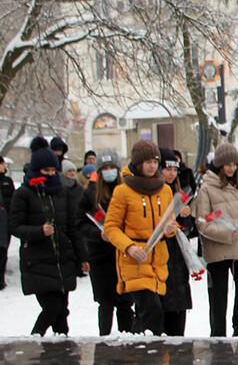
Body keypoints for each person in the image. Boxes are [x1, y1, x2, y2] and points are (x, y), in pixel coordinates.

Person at [9, 137, 89, 335]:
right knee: (52, 308)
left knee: (62, 312)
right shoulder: (24, 194)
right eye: (46, 172)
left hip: (63, 260)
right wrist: (38, 231)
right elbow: (15, 226)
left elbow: (72, 227)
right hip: (38, 261)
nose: (51, 175)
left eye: (54, 171)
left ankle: (63, 354)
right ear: (37, 171)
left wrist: (82, 257)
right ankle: (34, 341)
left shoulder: (62, 192)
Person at [104, 140, 176, 335]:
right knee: (152, 311)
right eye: (147, 162)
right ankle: (149, 355)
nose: (152, 166)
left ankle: (137, 353)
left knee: (147, 315)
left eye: (155, 162)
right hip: (134, 261)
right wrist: (129, 247)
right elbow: (111, 227)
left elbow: (171, 222)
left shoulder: (166, 190)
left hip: (158, 261)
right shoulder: (123, 191)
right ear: (138, 163)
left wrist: (171, 229)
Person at [194, 143, 238, 337]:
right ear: (219, 165)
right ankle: (218, 340)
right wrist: (229, 234)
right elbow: (203, 222)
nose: (231, 168)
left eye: (234, 164)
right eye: (227, 164)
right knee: (218, 300)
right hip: (218, 252)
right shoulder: (207, 188)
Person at [76, 148, 134, 335]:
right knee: (106, 302)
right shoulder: (89, 194)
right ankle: (104, 343)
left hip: (124, 254)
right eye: (105, 167)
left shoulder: (127, 191)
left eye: (112, 167)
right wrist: (97, 234)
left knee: (126, 303)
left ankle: (128, 342)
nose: (109, 171)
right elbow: (80, 222)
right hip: (101, 256)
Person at [158, 147, 195, 336]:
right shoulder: (152, 194)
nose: (172, 174)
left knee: (178, 322)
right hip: (160, 260)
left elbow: (189, 230)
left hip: (178, 260)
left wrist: (184, 218)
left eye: (175, 170)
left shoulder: (180, 193)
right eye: (167, 169)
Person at [0, 156, 15, 290]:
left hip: (6, 220)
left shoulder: (7, 181)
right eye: (2, 164)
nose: (4, 166)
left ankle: (1, 278)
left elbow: (13, 198)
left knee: (3, 249)